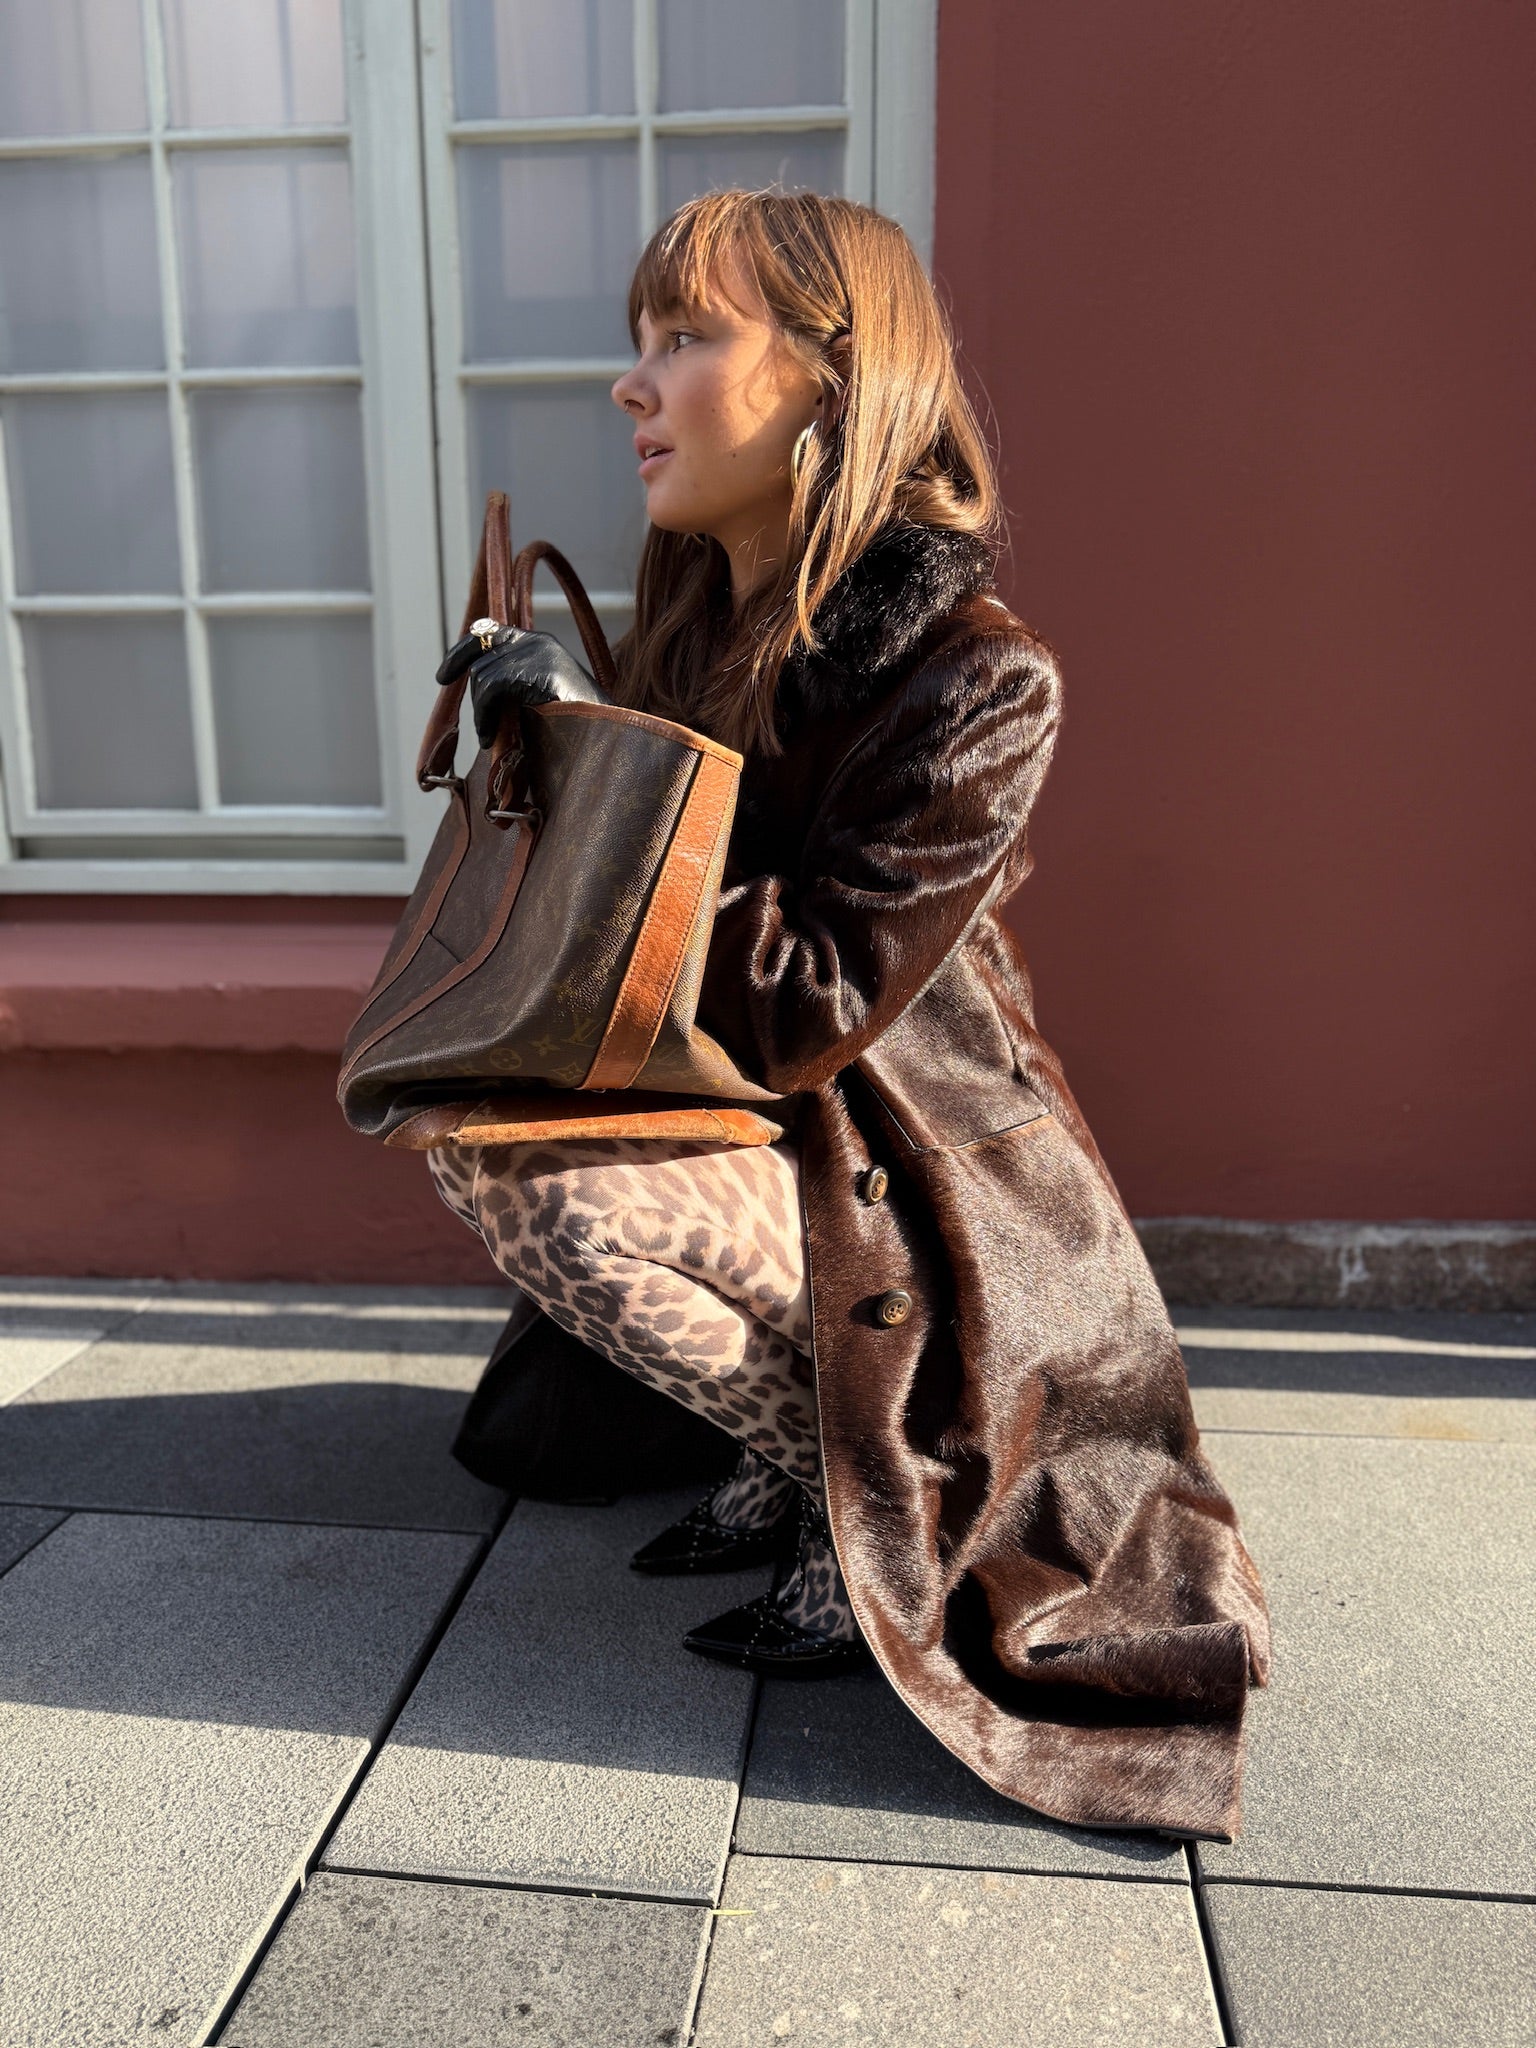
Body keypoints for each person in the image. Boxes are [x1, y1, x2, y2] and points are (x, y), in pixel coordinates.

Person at [428, 188, 1272, 1842]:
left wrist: (609, 795)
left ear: (831, 379)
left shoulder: (976, 677)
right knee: (469, 1142)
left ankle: (844, 1488)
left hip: (908, 1176)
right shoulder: (698, 631)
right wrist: (566, 757)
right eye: (638, 342)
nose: (634, 383)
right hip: (758, 1126)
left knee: (556, 1194)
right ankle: (789, 1440)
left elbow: (814, 1000)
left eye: (685, 337)